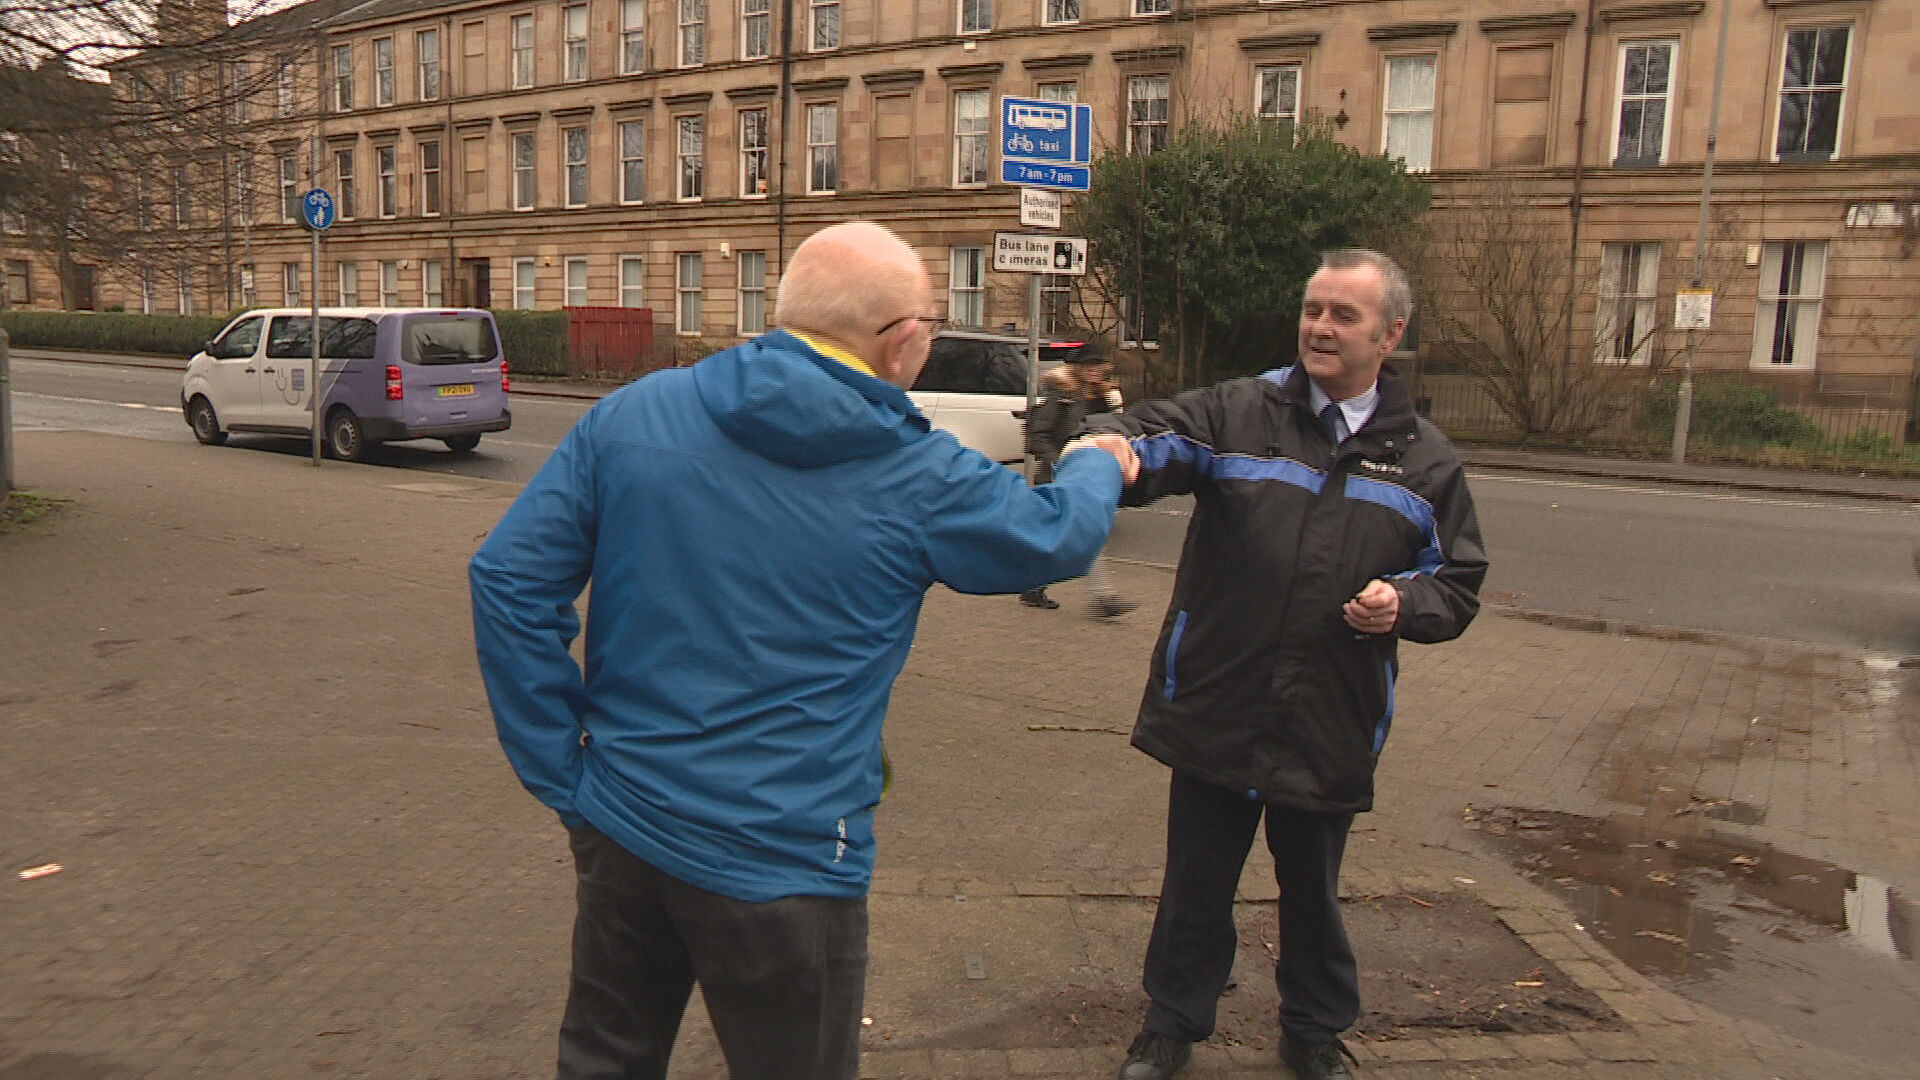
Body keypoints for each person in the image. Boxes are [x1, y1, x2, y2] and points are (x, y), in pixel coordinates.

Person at [468, 220, 1138, 1080]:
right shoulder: (919, 473)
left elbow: (508, 581)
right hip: (785, 858)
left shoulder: (637, 411)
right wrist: (1094, 459)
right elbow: (1055, 539)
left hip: (624, 826)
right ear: (900, 343)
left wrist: (565, 774)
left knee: (604, 1060)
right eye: (929, 327)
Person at [1088, 250, 1488, 1080]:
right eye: (1313, 309)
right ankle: (1171, 1025)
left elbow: (1457, 582)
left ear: (1391, 335)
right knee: (1196, 883)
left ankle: (1312, 1030)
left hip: (1328, 714)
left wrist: (1403, 605)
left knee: (1312, 892)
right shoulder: (1243, 411)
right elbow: (1157, 435)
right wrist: (1114, 451)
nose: (1320, 327)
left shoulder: (1426, 461)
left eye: (1344, 314)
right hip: (1217, 699)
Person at [1017, 349, 1138, 617]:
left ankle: (1033, 586)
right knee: (1085, 532)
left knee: (1072, 533)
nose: (1094, 370)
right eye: (1088, 365)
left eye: (1098, 364)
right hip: (1059, 477)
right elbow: (1037, 438)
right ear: (1075, 368)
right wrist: (1062, 461)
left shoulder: (1101, 398)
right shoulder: (1062, 398)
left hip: (1088, 476)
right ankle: (1103, 597)